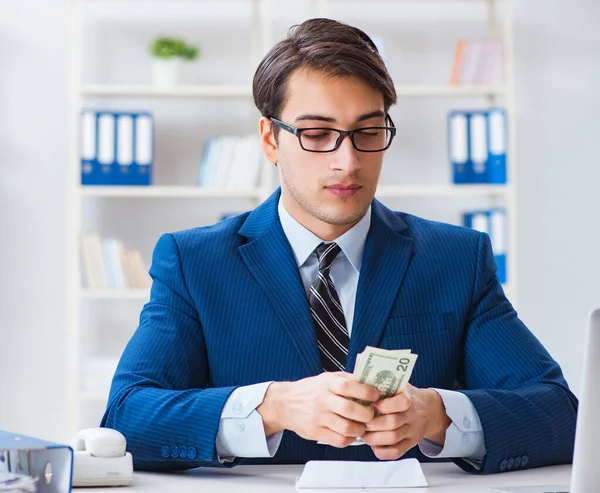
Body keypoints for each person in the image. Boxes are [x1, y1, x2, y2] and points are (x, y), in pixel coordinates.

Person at [101, 18, 577, 474]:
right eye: (317, 134)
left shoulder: (456, 258)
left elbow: (561, 413)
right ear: (270, 138)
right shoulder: (195, 262)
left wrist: (438, 415)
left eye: (368, 132)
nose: (347, 162)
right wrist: (270, 407)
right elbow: (126, 417)